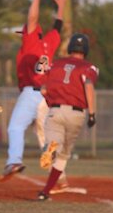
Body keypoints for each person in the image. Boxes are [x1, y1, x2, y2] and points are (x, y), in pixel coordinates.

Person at [0, 0, 67, 182]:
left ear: (31, 32)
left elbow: (32, 18)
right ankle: (59, 178)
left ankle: (13, 161)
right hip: (47, 97)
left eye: (24, 32)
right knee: (44, 138)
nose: (22, 34)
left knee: (15, 128)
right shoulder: (49, 43)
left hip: (32, 93)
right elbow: (58, 26)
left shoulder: (31, 42)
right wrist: (60, 8)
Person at [37, 33, 99, 201]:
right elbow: (88, 85)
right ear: (85, 49)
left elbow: (43, 88)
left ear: (70, 47)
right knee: (64, 156)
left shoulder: (56, 64)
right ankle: (45, 192)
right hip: (76, 113)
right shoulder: (90, 67)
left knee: (52, 143)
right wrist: (92, 114)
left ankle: (50, 149)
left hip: (56, 110)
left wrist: (51, 102)